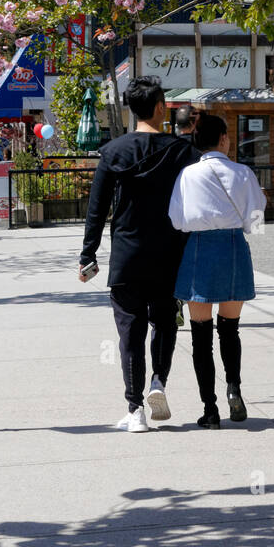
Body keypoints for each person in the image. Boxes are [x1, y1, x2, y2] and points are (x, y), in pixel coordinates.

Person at [79, 76, 198, 433]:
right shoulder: (183, 152)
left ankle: (135, 411)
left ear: (132, 109)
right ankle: (158, 382)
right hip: (170, 252)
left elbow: (96, 209)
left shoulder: (113, 152)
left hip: (128, 255)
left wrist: (88, 255)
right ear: (161, 107)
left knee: (130, 331)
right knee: (164, 322)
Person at [169, 113, 266, 429]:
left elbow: (177, 219)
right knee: (230, 328)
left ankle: (210, 410)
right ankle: (234, 387)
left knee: (200, 336)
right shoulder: (243, 173)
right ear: (223, 138)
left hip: (199, 249)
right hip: (234, 247)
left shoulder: (188, 175)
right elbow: (255, 219)